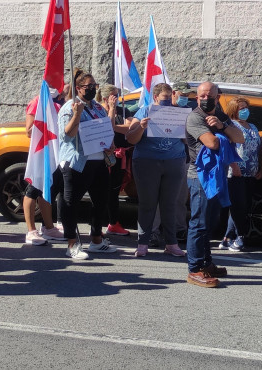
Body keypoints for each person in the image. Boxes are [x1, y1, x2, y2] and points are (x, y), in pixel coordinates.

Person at [184, 81, 245, 288]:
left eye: (209, 95)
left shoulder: (221, 115)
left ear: (218, 97)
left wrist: (222, 126)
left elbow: (240, 137)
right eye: (201, 95)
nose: (205, 98)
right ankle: (194, 269)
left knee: (210, 222)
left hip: (217, 175)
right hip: (200, 176)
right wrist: (220, 132)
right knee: (199, 223)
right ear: (197, 97)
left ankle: (206, 263)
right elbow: (212, 143)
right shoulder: (195, 117)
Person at [57, 69, 117, 260]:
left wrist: (109, 142)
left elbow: (105, 128)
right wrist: (76, 115)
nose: (91, 89)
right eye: (87, 87)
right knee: (71, 204)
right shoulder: (69, 107)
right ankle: (72, 244)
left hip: (98, 161)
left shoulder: (98, 107)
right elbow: (67, 135)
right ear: (78, 88)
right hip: (77, 162)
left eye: (94, 86)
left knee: (100, 202)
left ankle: (96, 240)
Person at [125, 83, 186, 258]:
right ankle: (142, 243)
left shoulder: (178, 114)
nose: (168, 101)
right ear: (155, 97)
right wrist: (141, 127)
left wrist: (183, 135)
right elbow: (131, 138)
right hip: (147, 162)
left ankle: (171, 243)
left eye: (170, 97)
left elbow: (188, 141)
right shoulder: (144, 111)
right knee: (147, 204)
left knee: (169, 204)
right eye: (165, 97)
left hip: (174, 162)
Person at [22, 84, 67, 245]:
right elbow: (28, 130)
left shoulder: (58, 103)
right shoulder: (37, 102)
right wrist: (45, 120)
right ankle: (31, 231)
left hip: (54, 153)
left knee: (47, 189)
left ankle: (48, 227)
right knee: (33, 190)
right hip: (41, 153)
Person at [219, 96, 262, 252]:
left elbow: (258, 148)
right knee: (239, 206)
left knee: (244, 205)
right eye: (241, 108)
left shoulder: (252, 126)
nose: (245, 111)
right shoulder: (231, 126)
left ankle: (227, 237)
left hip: (251, 172)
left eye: (246, 107)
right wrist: (234, 165)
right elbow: (227, 148)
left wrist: (261, 168)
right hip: (235, 173)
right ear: (234, 110)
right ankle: (240, 236)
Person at [99, 84, 132, 238]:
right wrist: (111, 111)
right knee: (99, 191)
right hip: (102, 158)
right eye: (114, 96)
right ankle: (98, 225)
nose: (117, 99)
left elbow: (131, 127)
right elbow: (105, 128)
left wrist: (115, 127)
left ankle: (113, 223)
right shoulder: (98, 111)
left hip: (119, 158)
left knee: (114, 192)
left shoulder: (124, 111)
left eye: (117, 95)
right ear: (106, 98)